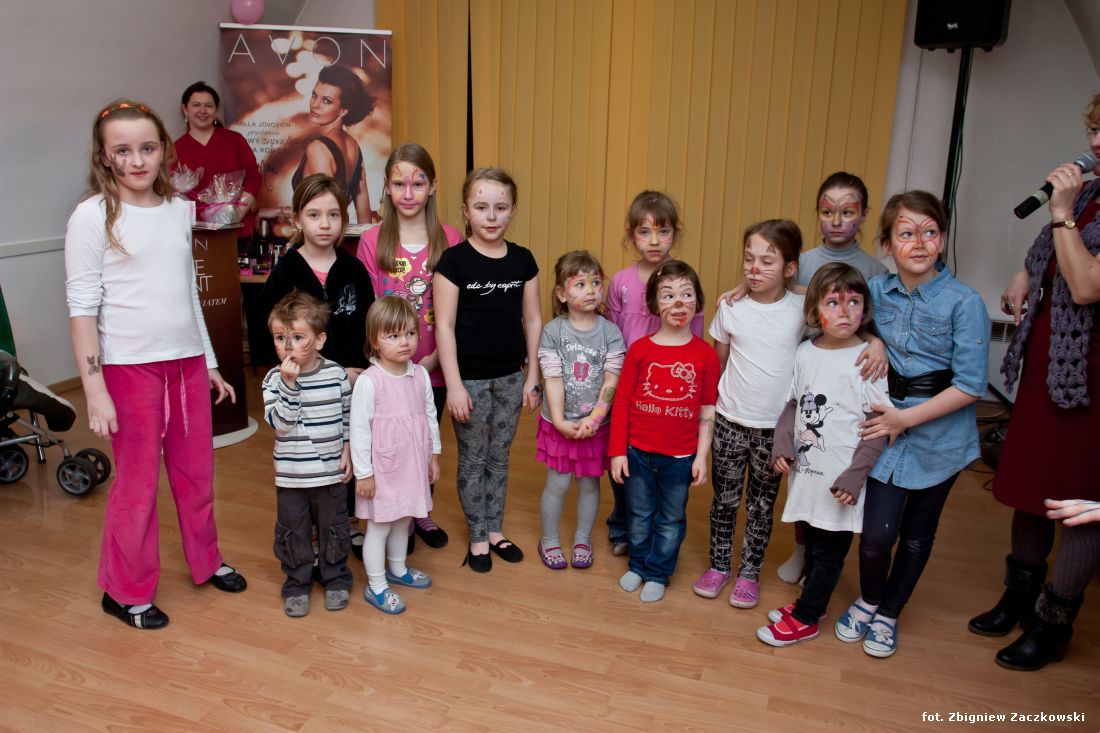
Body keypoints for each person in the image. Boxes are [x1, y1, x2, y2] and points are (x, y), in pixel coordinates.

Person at [65, 99, 246, 630]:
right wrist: (94, 390)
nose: (137, 160)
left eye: (147, 148)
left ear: (163, 149)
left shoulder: (178, 210)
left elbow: (187, 292)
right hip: (129, 371)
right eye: (123, 151)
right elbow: (82, 311)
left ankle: (207, 561)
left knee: (197, 475)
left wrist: (209, 362)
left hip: (186, 364)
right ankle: (124, 591)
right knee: (137, 486)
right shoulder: (92, 216)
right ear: (104, 156)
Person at [970, 95, 1100, 671]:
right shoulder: (1090, 194)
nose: (1094, 144)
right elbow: (1054, 254)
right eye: (1093, 129)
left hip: (1091, 380)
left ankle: (1053, 621)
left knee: (1077, 498)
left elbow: (1087, 284)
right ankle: (1019, 595)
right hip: (1049, 368)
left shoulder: (1075, 203)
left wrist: (1062, 211)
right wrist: (1025, 272)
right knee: (1032, 486)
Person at [836, 191, 990, 658]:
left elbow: (970, 386)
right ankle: (869, 598)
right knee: (876, 536)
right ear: (887, 244)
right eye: (906, 233)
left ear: (942, 239)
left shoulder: (965, 302)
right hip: (885, 425)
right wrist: (873, 339)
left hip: (939, 436)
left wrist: (905, 418)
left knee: (918, 534)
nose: (919, 243)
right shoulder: (876, 290)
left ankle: (889, 612)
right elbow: (836, 309)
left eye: (929, 232)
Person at [757, 264, 889, 646]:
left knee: (830, 553)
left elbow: (878, 424)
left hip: (840, 483)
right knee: (812, 544)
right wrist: (782, 444)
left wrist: (855, 476)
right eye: (833, 303)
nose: (844, 311)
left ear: (865, 309)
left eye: (853, 302)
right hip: (807, 477)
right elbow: (793, 404)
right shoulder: (805, 352)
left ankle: (807, 617)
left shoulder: (868, 359)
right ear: (815, 311)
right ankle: (811, 603)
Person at [779, 171, 889, 585]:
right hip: (807, 368)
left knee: (829, 464)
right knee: (804, 467)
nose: (837, 220)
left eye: (848, 211)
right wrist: (738, 291)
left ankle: (824, 558)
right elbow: (772, 291)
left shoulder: (875, 270)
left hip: (847, 376)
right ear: (818, 213)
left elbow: (878, 322)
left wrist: (876, 343)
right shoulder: (803, 262)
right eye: (828, 212)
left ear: (864, 214)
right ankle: (801, 547)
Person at [357, 143, 464, 555]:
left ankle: (420, 511)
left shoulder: (450, 239)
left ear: (432, 187)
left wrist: (435, 359)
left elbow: (457, 309)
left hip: (434, 363)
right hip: (388, 370)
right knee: (390, 443)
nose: (408, 193)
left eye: (418, 184)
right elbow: (370, 307)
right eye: (399, 184)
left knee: (423, 438)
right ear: (386, 187)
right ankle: (390, 510)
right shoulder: (372, 240)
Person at [433, 167, 542, 572]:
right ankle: (477, 534)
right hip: (470, 381)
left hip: (511, 377)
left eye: (500, 207)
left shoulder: (523, 261)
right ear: (466, 210)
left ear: (513, 210)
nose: (491, 216)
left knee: (499, 458)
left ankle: (495, 529)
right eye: (481, 207)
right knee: (473, 459)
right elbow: (444, 326)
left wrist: (533, 378)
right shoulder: (453, 262)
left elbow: (533, 321)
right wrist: (455, 386)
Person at [692, 220, 804, 609]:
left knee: (760, 506)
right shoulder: (730, 307)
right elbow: (718, 364)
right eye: (748, 259)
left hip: (774, 430)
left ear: (790, 267)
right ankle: (719, 566)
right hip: (729, 420)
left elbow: (834, 295)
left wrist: (795, 287)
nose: (754, 269)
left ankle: (749, 574)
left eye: (767, 261)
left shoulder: (803, 309)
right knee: (724, 501)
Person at [610, 260, 720, 603]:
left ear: (697, 302)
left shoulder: (706, 355)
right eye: (668, 295)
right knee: (639, 514)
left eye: (686, 294)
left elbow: (708, 410)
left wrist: (701, 457)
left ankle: (658, 572)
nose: (678, 302)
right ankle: (638, 565)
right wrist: (617, 452)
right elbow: (622, 402)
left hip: (680, 458)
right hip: (637, 453)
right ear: (655, 305)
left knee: (670, 519)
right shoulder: (640, 350)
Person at [604, 191, 704, 557]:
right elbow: (611, 334)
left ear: (675, 233)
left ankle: (657, 533)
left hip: (665, 394)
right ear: (631, 236)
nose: (654, 241)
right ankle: (623, 525)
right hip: (627, 388)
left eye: (663, 231)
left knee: (660, 468)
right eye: (644, 232)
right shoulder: (621, 282)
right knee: (622, 460)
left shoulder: (682, 280)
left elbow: (695, 338)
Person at [262, 291, 354, 617]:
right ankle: (297, 583)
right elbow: (281, 424)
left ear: (320, 340)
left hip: (330, 473)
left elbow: (348, 417)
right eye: (280, 338)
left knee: (334, 528)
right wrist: (289, 385)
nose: (288, 346)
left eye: (298, 337)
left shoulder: (336, 374)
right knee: (294, 532)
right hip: (292, 477)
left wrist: (348, 450)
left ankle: (336, 578)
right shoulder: (274, 379)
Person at [351, 297, 442, 614]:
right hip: (383, 471)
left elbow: (430, 417)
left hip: (412, 465)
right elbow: (359, 431)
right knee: (379, 527)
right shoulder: (369, 381)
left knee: (404, 519)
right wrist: (364, 474)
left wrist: (433, 455)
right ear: (375, 340)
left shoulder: (420, 375)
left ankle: (398, 568)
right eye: (393, 335)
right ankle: (376, 585)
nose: (404, 342)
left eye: (410, 333)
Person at [535, 251, 625, 570]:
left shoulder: (611, 332)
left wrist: (595, 419)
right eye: (580, 284)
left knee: (589, 484)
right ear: (562, 293)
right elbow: (552, 379)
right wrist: (560, 420)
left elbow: (611, 381)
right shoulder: (553, 331)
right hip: (560, 424)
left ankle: (583, 539)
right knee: (558, 484)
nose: (591, 290)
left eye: (596, 283)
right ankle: (549, 539)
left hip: (595, 426)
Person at [261, 173, 374, 381]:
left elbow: (368, 328)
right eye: (314, 215)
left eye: (333, 215)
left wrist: (359, 372)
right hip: (302, 383)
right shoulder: (285, 272)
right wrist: (331, 376)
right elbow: (270, 334)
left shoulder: (354, 270)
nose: (325, 224)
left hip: (353, 381)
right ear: (297, 220)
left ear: (343, 219)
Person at [173, 81, 261, 243]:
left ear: (216, 110)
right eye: (196, 105)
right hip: (196, 233)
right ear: (185, 109)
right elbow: (172, 192)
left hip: (237, 229)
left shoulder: (234, 140)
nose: (202, 110)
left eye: (208, 106)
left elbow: (253, 178)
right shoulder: (176, 148)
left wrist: (236, 213)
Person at [292, 65, 377, 225]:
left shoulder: (318, 148)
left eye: (326, 101)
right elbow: (362, 198)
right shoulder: (353, 145)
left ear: (343, 110)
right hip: (336, 235)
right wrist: (364, 239)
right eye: (314, 95)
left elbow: (327, 207)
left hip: (321, 236)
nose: (315, 105)